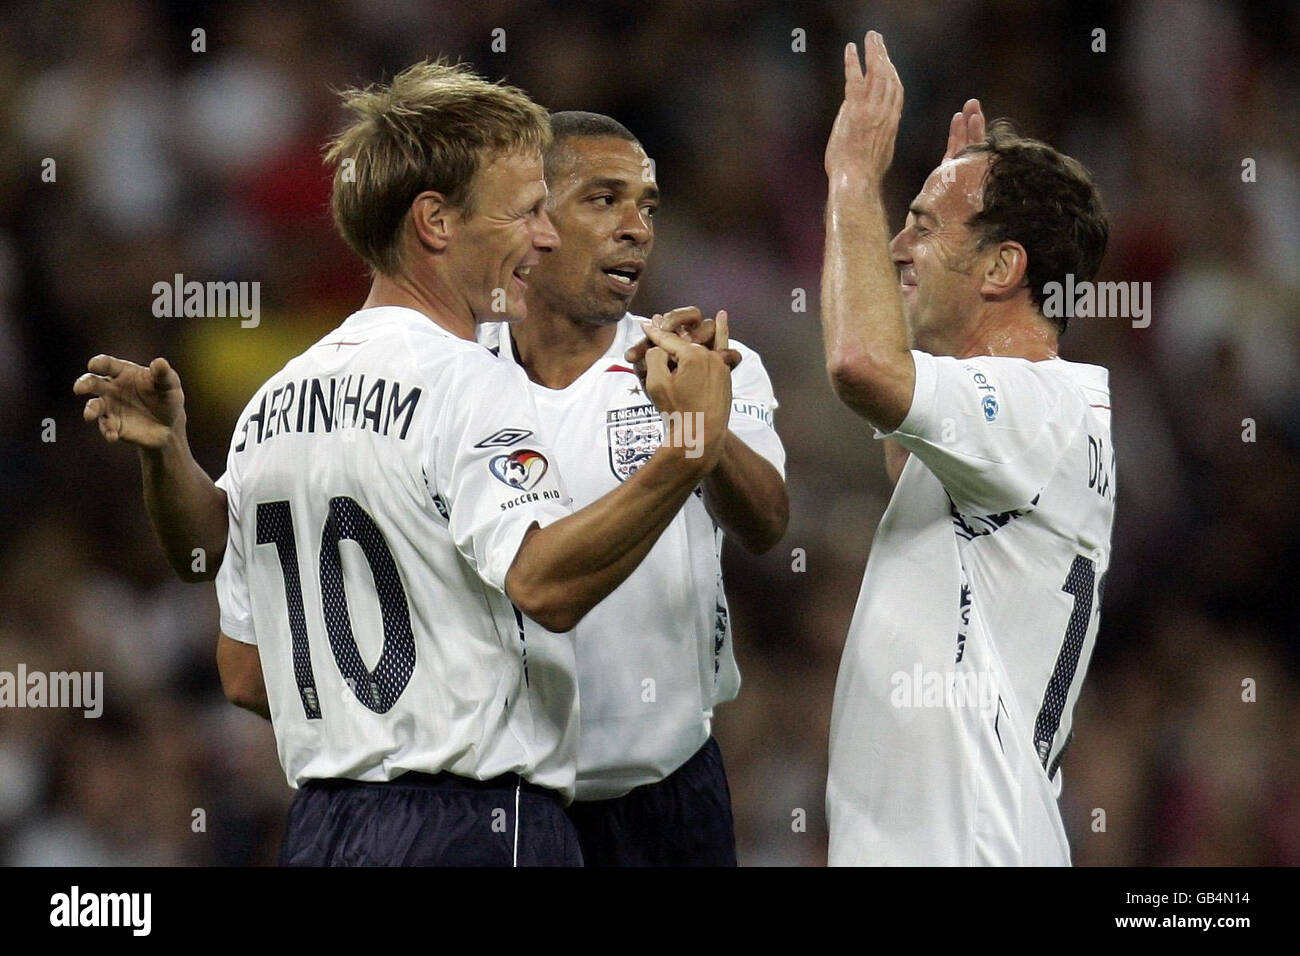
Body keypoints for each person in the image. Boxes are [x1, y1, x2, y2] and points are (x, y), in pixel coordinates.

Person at [74, 60, 736, 867]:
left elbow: (246, 673)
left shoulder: (274, 402)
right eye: (526, 213)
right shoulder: (469, 381)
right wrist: (687, 448)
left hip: (323, 830)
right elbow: (544, 584)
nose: (547, 236)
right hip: (480, 825)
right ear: (436, 223)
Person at [820, 33, 1114, 865]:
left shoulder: (1037, 405)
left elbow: (859, 364)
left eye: (920, 228)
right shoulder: (1016, 423)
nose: (895, 248)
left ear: (1001, 268)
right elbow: (904, 453)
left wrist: (851, 176)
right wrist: (936, 260)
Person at [479, 111, 788, 865]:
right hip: (510, 793)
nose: (637, 227)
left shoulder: (699, 362)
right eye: (604, 199)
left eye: (647, 205)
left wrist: (702, 431)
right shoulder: (459, 376)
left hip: (671, 789)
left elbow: (766, 523)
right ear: (532, 218)